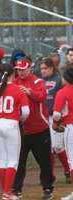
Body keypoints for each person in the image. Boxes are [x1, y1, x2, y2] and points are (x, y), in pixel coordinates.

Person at [12, 58, 55, 200]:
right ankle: (16, 190)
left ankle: (48, 188)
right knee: (19, 162)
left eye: (23, 69)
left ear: (30, 68)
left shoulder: (37, 81)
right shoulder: (14, 82)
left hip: (39, 129)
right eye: (18, 69)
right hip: (21, 130)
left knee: (44, 162)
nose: (21, 72)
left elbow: (42, 96)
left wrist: (29, 92)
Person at [0, 63, 30, 200]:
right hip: (11, 124)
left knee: (2, 160)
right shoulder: (18, 89)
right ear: (13, 74)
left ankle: (5, 191)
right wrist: (19, 119)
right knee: (12, 161)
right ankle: (7, 193)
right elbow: (26, 112)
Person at [40, 57, 70, 183]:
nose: (43, 71)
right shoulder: (40, 81)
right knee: (48, 148)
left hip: (56, 116)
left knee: (58, 146)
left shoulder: (59, 79)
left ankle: (68, 170)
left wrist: (60, 118)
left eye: (45, 68)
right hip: (43, 116)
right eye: (41, 68)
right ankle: (49, 175)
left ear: (52, 68)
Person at [53, 67, 73, 200]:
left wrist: (56, 123)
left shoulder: (62, 92)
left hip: (70, 127)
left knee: (72, 160)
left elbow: (56, 114)